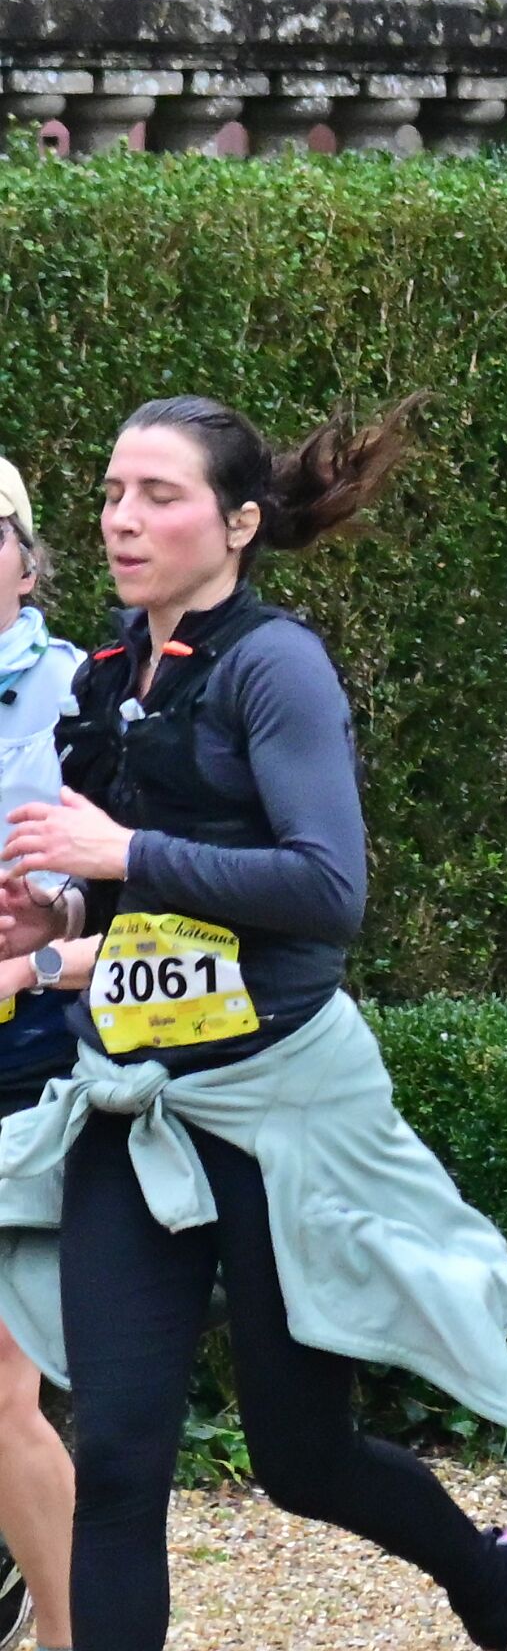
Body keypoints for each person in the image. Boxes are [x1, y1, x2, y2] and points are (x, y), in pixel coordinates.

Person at [0, 397, 507, 1651]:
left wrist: (123, 851)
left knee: (300, 1457)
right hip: (134, 1103)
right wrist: (58, 916)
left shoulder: (277, 667)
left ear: (240, 523)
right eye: (111, 494)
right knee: (120, 1459)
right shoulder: (108, 674)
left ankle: (500, 1585)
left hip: (279, 1111)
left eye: (159, 496)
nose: (122, 520)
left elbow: (327, 889)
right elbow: (136, 904)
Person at [0, 459, 81, 1651]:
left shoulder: (77, 688)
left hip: (30, 1051)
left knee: (2, 1389)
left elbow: (140, 886)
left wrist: (35, 944)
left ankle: (72, 1633)